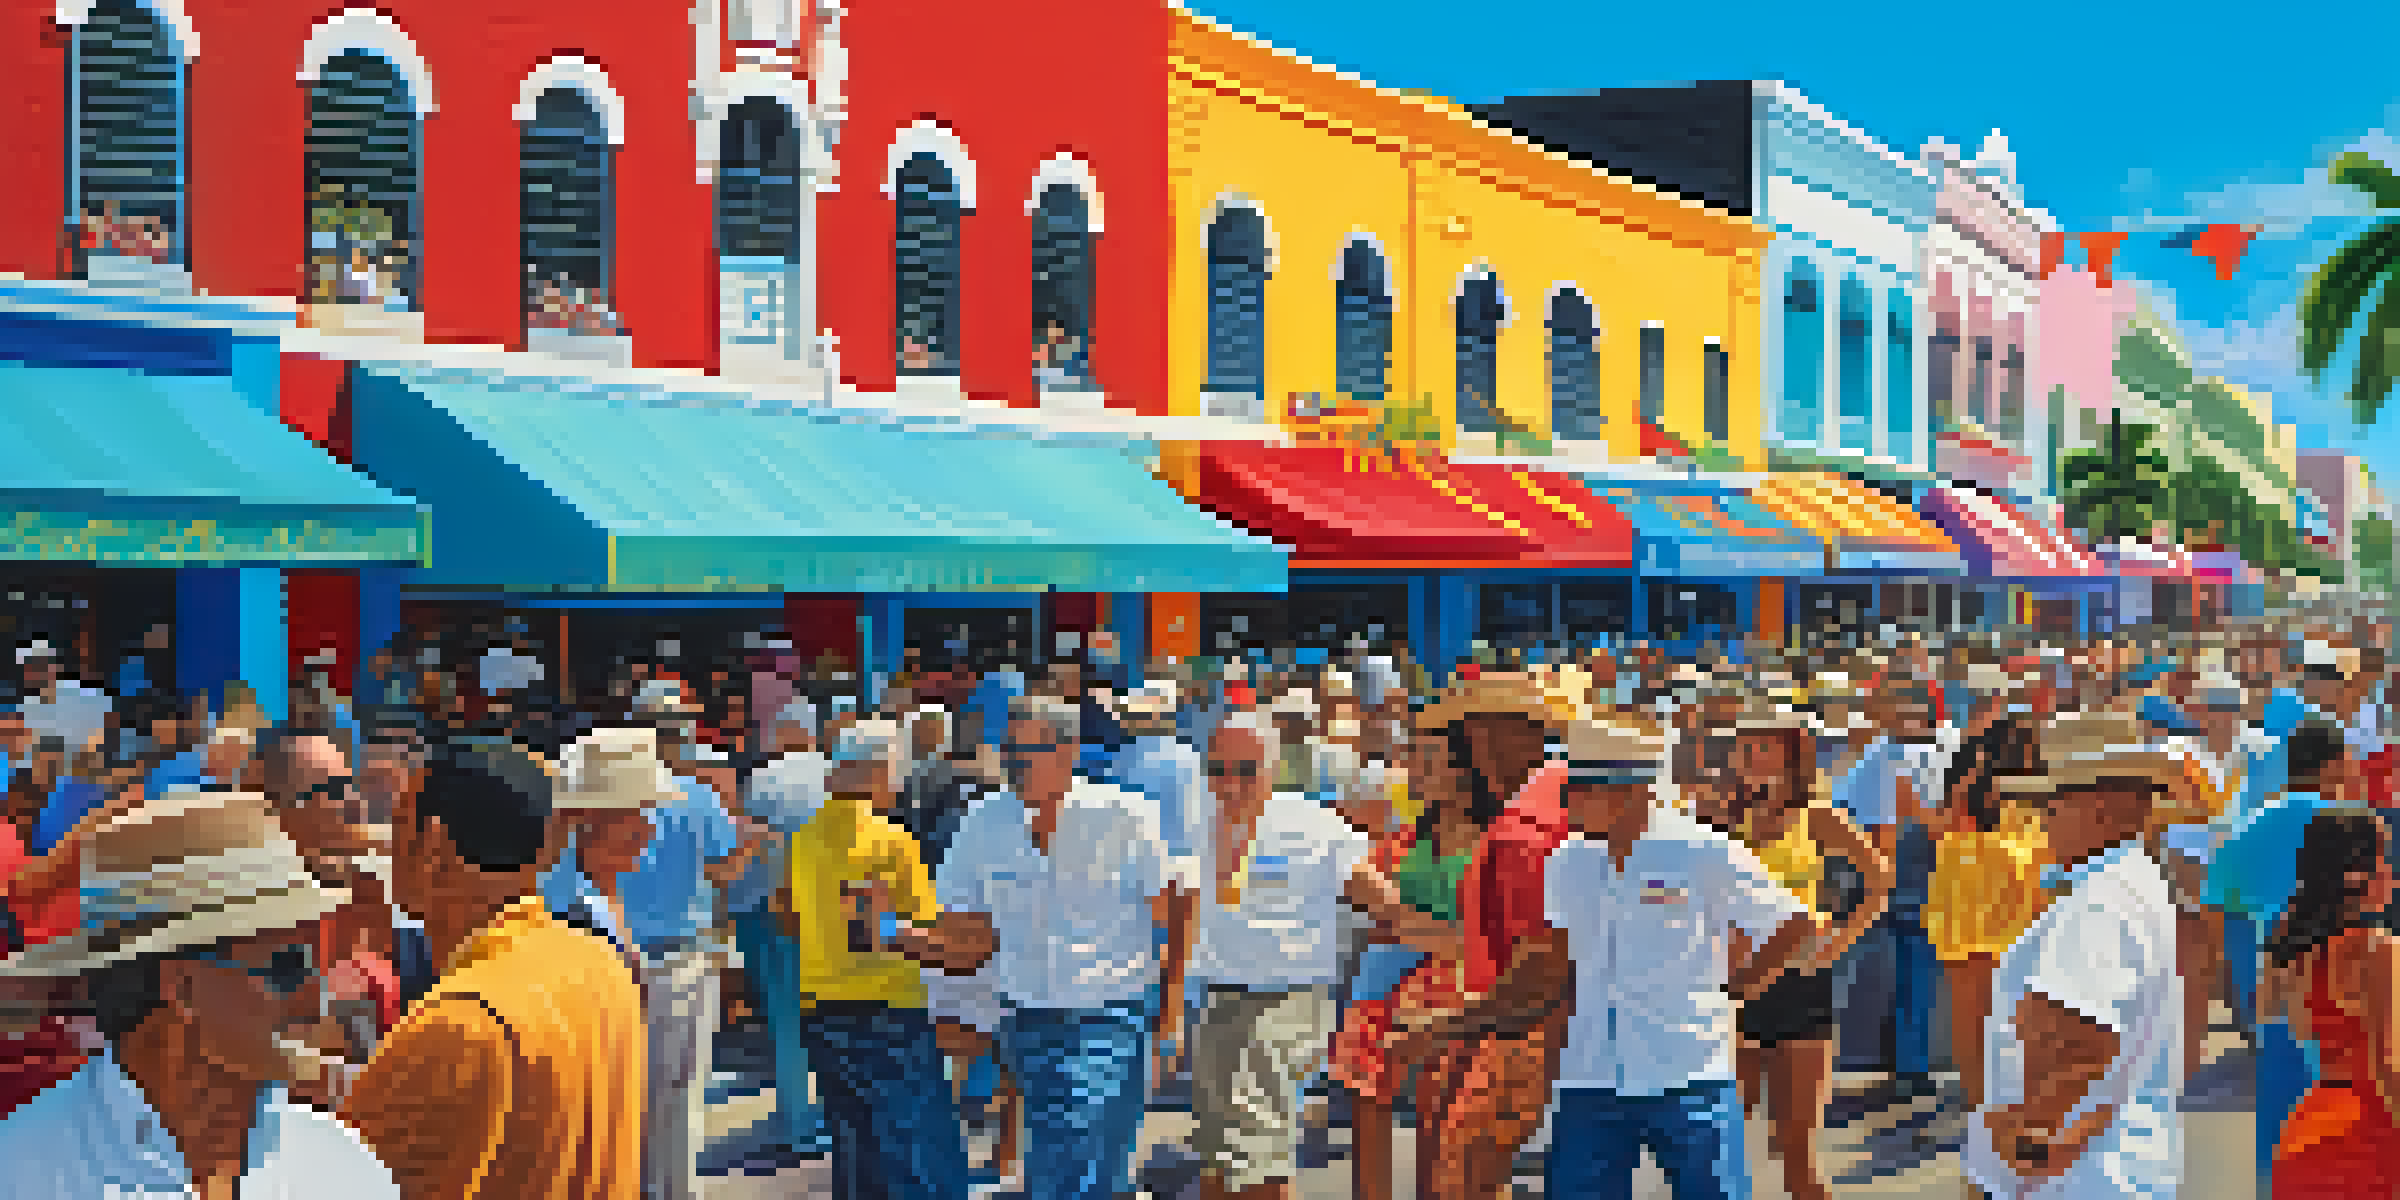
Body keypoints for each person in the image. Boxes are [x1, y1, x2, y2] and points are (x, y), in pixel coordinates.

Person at [1419, 696, 1822, 1200]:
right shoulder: (1567, 861)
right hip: (1590, 1081)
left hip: (1689, 1076)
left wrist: (1734, 991)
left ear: (1628, 792)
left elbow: (1793, 922)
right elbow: (1549, 965)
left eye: (1578, 791)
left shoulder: (1700, 850)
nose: (1566, 804)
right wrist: (1458, 1026)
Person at [0, 786, 399, 1196]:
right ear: (183, 988)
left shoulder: (344, 1173)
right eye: (288, 967)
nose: (317, 999)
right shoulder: (23, 1172)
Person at [341, 735, 644, 1198]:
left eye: (397, 823)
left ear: (434, 845)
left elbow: (334, 1178)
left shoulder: (459, 1021)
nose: (382, 845)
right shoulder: (598, 960)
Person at [938, 695, 1194, 1200]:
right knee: (1084, 1164)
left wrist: (1172, 1005)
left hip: (1112, 1016)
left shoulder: (1125, 815)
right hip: (1024, 1020)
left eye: (1026, 754)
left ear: (1069, 751)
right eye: (1009, 753)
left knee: (1077, 1156)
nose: (1014, 766)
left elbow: (1179, 901)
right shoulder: (982, 820)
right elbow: (958, 921)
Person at [1966, 710, 2197, 1200]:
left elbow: (2078, 1045)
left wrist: (2021, 1153)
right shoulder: (2131, 880)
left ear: (2097, 804)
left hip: (2078, 1181)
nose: (2040, 817)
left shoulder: (2098, 900)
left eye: (2050, 803)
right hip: (2117, 1169)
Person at [786, 718, 994, 1200]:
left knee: (856, 1153)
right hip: (887, 1012)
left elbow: (791, 916)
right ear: (880, 771)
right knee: (920, 1157)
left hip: (821, 1010)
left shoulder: (804, 838)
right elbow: (901, 935)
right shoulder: (891, 843)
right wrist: (972, 954)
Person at [1179, 711, 1369, 1200]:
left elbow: (1377, 895)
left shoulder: (1314, 823)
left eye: (1246, 768)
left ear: (1274, 765)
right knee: (1218, 1152)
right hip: (1216, 997)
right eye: (1219, 768)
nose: (1231, 781)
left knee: (1257, 1150)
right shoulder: (1196, 819)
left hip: (1285, 999)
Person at [1728, 705, 1891, 1200]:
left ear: (1790, 752)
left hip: (1802, 986)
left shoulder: (1815, 815)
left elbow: (1878, 875)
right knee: (1723, 1151)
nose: (1751, 753)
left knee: (1797, 1153)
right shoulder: (1715, 815)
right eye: (1745, 744)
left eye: (1764, 743)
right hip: (1732, 992)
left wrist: (1843, 936)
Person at [2214, 719, 2360, 1191]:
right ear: (2333, 765)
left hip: (2274, 988)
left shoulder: (2251, 824)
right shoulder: (2351, 824)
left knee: (2279, 1118)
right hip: (2345, 988)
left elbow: (2220, 905)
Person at [2263, 810, 2400, 1198]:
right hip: (2368, 1138)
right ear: (2358, 876)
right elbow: (2388, 1065)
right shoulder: (2381, 951)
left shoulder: (2300, 949)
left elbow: (2296, 1025)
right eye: (2385, 861)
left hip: (2308, 1131)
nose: (2393, 874)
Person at [726, 700, 832, 1161]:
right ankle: (831, 1114)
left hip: (765, 912)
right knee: (831, 1020)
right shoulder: (833, 774)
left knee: (785, 1024)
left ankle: (797, 1123)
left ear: (784, 732)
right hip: (826, 915)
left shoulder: (761, 781)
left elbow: (745, 853)